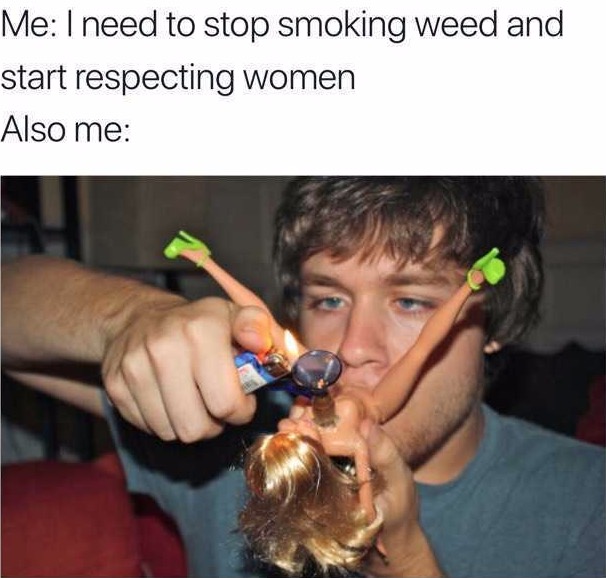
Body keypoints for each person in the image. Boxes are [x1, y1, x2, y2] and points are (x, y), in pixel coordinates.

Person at [2, 177, 604, 578]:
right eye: (330, 299)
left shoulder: (586, 503)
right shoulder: (230, 433)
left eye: (410, 302)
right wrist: (129, 318)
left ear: (493, 321)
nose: (353, 349)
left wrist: (408, 563)